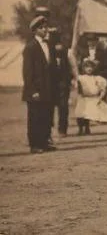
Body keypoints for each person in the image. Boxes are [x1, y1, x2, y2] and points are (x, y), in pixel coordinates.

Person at [22, 16, 55, 154]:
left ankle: (44, 141)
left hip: (47, 88)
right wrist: (32, 90)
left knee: (46, 116)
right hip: (35, 90)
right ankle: (34, 144)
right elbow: (27, 72)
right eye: (41, 27)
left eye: (46, 27)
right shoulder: (30, 47)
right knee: (35, 117)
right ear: (35, 30)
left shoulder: (48, 45)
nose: (45, 29)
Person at [75, 58, 107, 134]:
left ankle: (87, 128)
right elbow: (78, 88)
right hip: (83, 98)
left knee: (88, 114)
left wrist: (100, 97)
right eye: (87, 67)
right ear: (83, 68)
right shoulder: (81, 78)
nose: (89, 69)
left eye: (91, 67)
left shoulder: (97, 78)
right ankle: (80, 129)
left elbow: (103, 89)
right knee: (79, 113)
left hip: (92, 98)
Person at [48, 27, 72, 138]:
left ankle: (62, 129)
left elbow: (69, 67)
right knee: (49, 108)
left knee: (63, 107)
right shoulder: (46, 49)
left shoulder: (65, 50)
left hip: (63, 84)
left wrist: (69, 81)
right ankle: (50, 129)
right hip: (50, 84)